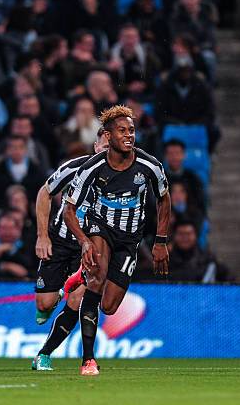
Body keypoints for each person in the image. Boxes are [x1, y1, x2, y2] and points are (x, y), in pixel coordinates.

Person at [63, 105, 171, 376]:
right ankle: (88, 360)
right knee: (97, 280)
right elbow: (69, 209)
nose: (129, 135)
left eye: (132, 130)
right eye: (122, 131)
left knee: (109, 307)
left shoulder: (149, 165)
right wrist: (85, 241)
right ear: (108, 136)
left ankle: (82, 282)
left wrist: (160, 241)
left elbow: (164, 198)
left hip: (130, 240)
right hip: (101, 230)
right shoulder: (92, 168)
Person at [31, 127, 109, 371]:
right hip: (60, 241)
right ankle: (58, 293)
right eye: (105, 147)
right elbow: (45, 192)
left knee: (77, 300)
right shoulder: (74, 168)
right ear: (96, 147)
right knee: (44, 305)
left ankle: (44, 354)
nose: (108, 152)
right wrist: (42, 236)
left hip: (90, 246)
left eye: (113, 148)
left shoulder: (123, 177)